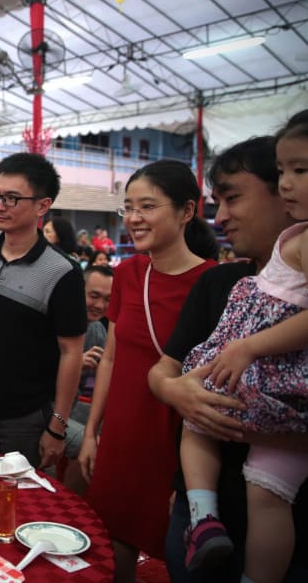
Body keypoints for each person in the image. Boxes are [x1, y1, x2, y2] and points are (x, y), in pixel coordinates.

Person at [148, 135, 307, 583]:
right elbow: (164, 367)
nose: (221, 218)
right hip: (204, 512)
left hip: (290, 519)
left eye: (233, 198)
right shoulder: (222, 283)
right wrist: (176, 392)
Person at [78, 160, 219, 581]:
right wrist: (91, 432)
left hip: (176, 439)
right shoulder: (128, 273)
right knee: (112, 535)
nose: (134, 219)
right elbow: (114, 358)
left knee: (177, 549)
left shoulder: (212, 282)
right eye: (128, 208)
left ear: (187, 211)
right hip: (123, 432)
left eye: (147, 206)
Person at [0, 152, 87, 468]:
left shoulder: (62, 271)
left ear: (42, 205)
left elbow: (71, 352)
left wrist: (57, 425)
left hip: (23, 420)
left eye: (11, 198)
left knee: (16, 507)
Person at [62, 264, 114, 494]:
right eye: (94, 296)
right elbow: (30, 375)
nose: (100, 306)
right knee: (96, 447)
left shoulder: (98, 331)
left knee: (116, 436)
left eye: (108, 299)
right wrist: (73, 365)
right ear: (78, 290)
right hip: (44, 410)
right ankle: (69, 506)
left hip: (74, 407)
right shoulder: (54, 322)